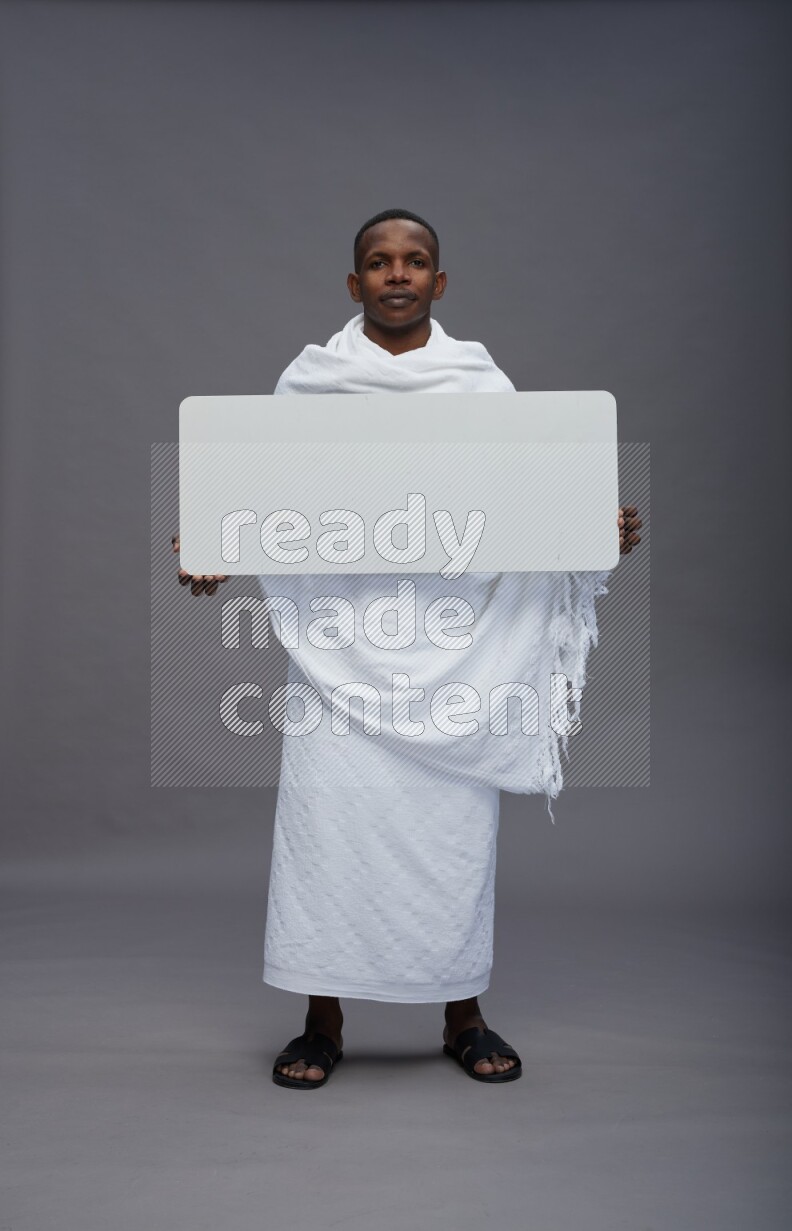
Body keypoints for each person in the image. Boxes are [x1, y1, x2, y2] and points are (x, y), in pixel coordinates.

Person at [172, 209, 641, 1089]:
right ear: (354, 285)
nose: (397, 274)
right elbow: (269, 500)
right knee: (328, 827)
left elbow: (523, 502)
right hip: (337, 644)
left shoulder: (480, 384)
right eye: (379, 263)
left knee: (451, 831)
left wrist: (591, 526)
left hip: (454, 648)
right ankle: (321, 1021)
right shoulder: (310, 383)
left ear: (440, 281)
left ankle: (461, 1011)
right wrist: (217, 550)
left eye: (415, 261)